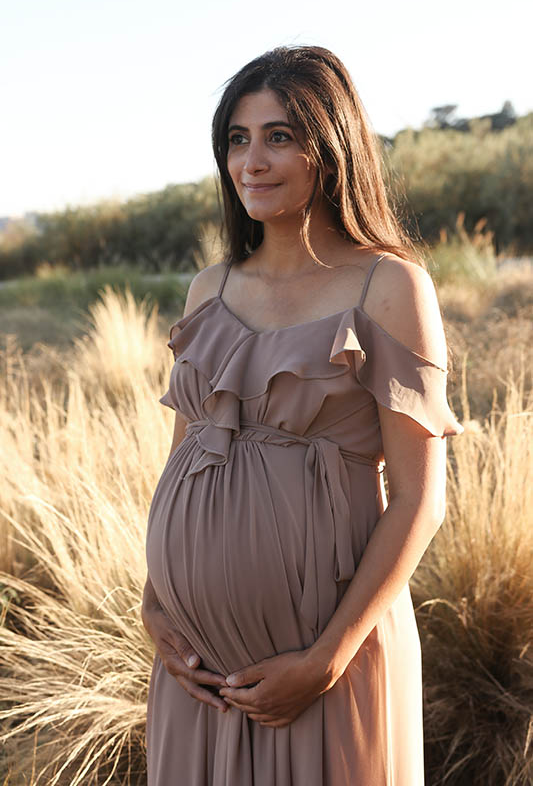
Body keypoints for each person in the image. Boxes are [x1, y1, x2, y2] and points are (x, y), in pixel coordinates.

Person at [142, 45, 463, 785]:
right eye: (237, 138)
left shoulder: (388, 285)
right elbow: (182, 456)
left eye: (279, 136)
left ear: (330, 149)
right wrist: (154, 599)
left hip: (322, 662)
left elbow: (419, 500)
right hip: (198, 669)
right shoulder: (208, 289)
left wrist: (325, 661)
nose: (251, 160)